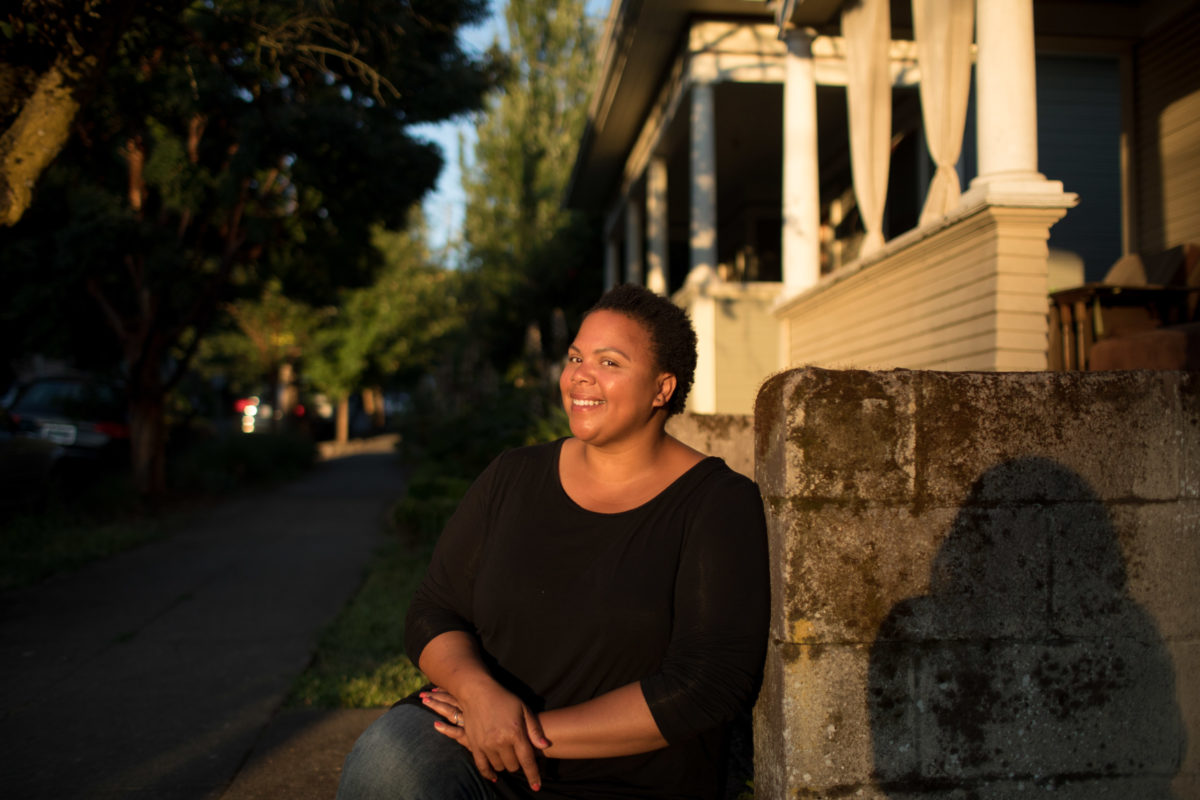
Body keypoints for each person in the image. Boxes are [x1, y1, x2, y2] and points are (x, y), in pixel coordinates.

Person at [336, 283, 769, 800]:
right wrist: (479, 697)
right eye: (576, 356)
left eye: (610, 362)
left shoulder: (718, 503)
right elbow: (434, 609)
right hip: (474, 741)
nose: (580, 374)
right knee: (385, 765)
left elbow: (707, 683)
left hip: (622, 775)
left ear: (662, 389)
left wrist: (523, 734)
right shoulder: (513, 475)